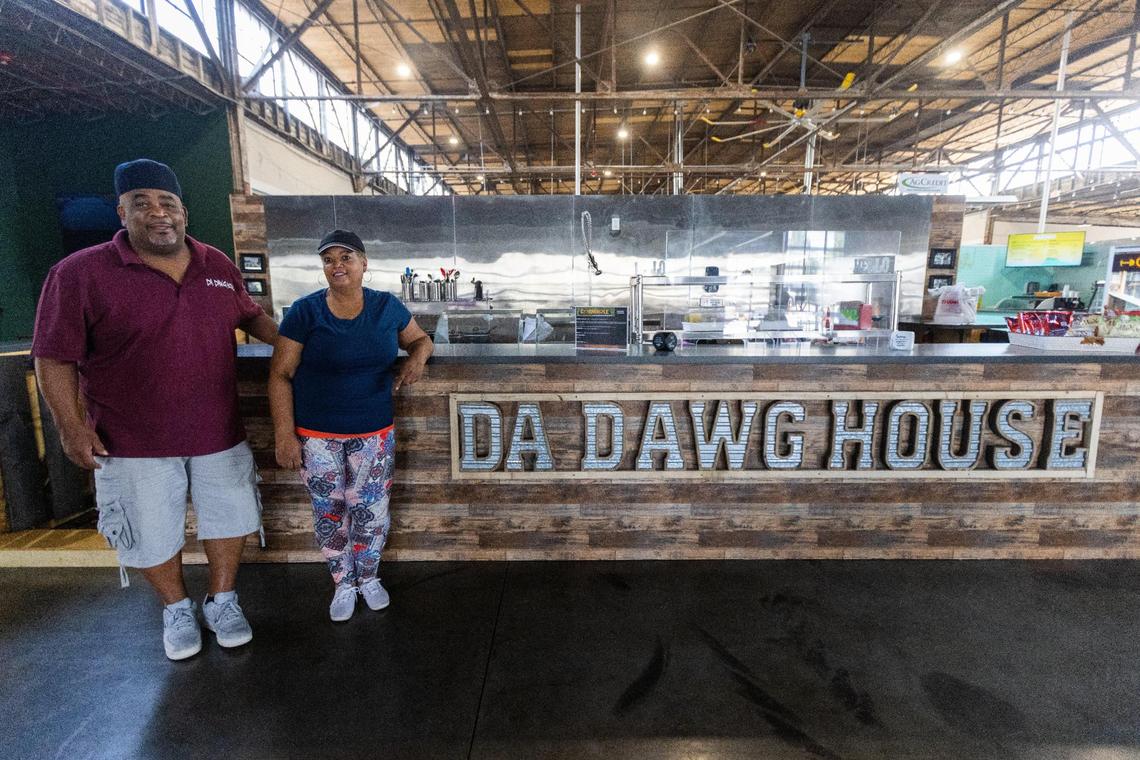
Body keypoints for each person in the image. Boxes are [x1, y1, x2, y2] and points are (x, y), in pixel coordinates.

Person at [32, 159, 278, 661]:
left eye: (168, 203)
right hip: (130, 439)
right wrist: (70, 427)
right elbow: (53, 357)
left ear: (184, 212)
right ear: (121, 212)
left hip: (218, 431)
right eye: (142, 203)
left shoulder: (215, 264)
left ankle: (223, 600)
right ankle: (176, 609)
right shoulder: (79, 273)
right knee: (147, 530)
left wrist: (310, 346)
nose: (158, 213)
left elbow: (253, 318)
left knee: (230, 517)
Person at [269, 229, 432, 622]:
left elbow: (421, 339)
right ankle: (343, 583)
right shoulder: (305, 312)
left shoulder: (385, 306)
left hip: (374, 432)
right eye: (329, 260)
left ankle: (369, 578)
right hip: (317, 436)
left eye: (346, 258)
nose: (337, 266)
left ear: (363, 263)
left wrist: (417, 358)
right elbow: (279, 374)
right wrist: (284, 434)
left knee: (371, 510)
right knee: (329, 511)